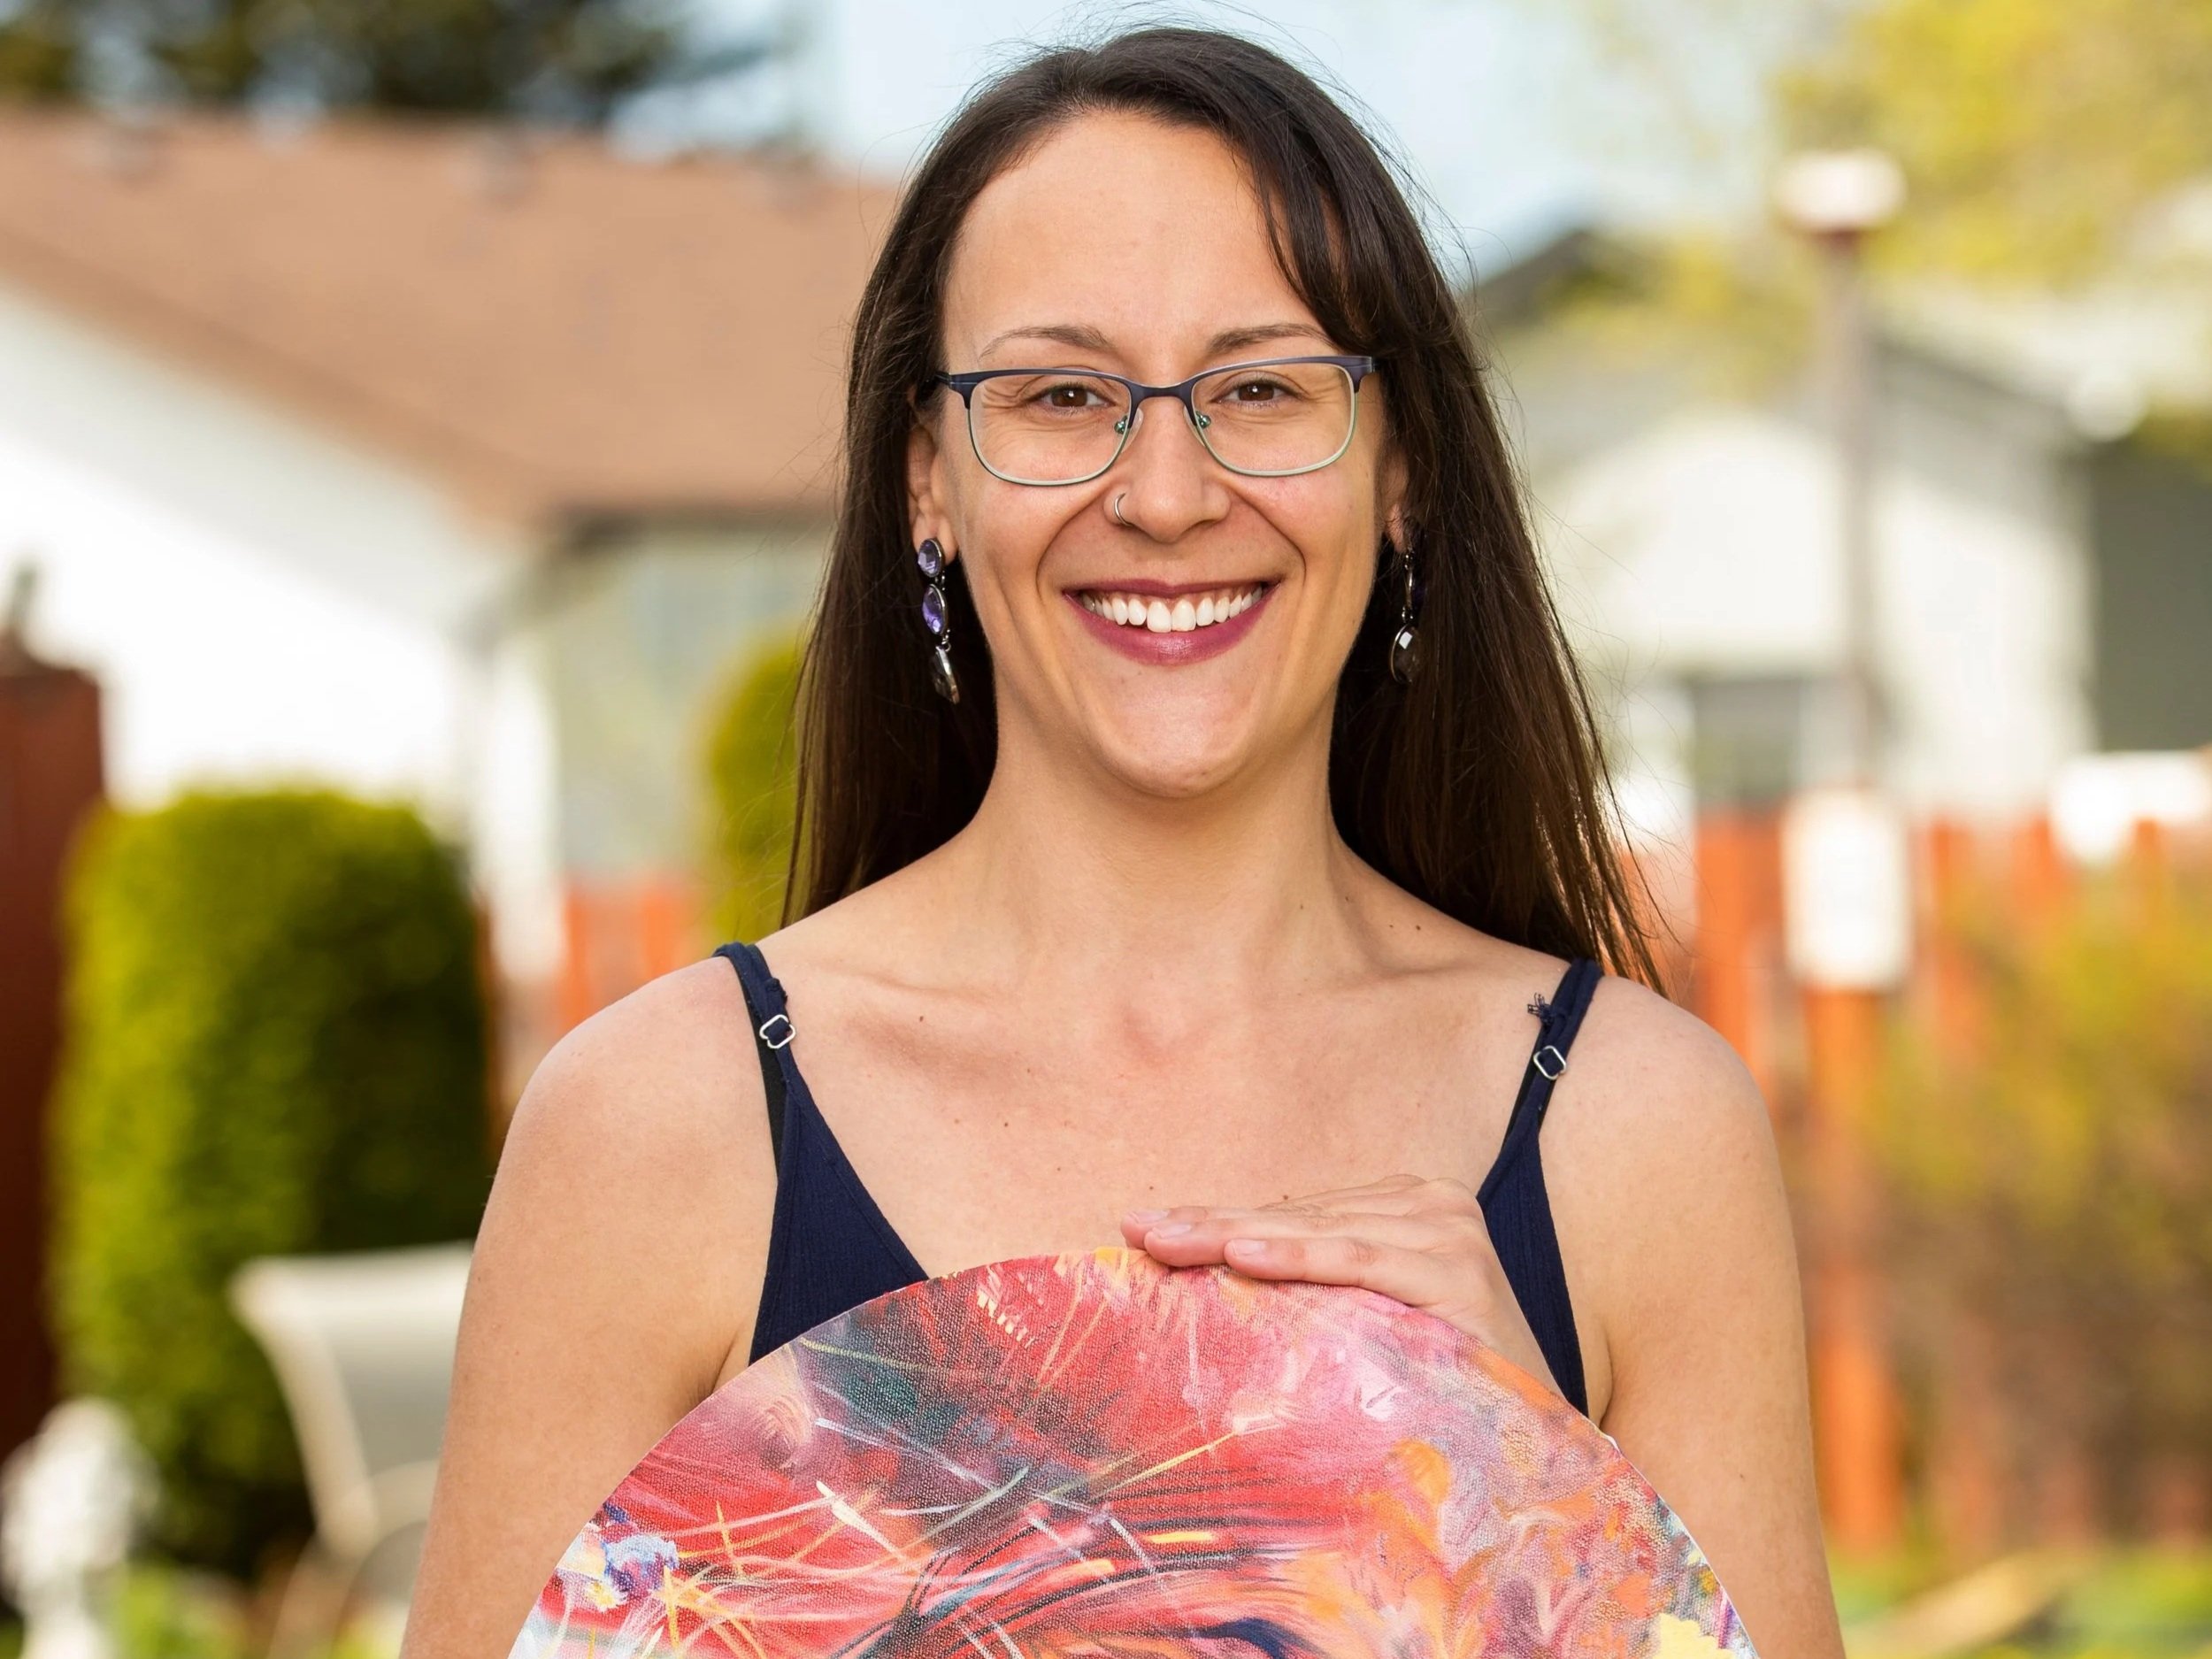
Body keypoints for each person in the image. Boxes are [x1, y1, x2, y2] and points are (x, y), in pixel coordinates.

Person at [403, 26, 1844, 1659]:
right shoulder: (661, 1131)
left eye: (1263, 390)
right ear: (926, 482)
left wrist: (1531, 1514)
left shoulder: (1635, 1138)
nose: (1167, 490)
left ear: (1403, 479)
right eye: (1062, 394)